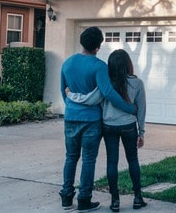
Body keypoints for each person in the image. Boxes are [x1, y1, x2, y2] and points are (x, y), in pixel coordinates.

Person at [59, 27, 136, 212]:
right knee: (88, 159)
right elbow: (109, 93)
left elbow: (64, 90)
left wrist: (72, 108)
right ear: (98, 46)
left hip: (71, 117)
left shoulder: (67, 63)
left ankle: (66, 198)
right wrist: (130, 108)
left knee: (70, 157)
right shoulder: (99, 66)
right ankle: (84, 200)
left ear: (82, 42)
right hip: (91, 120)